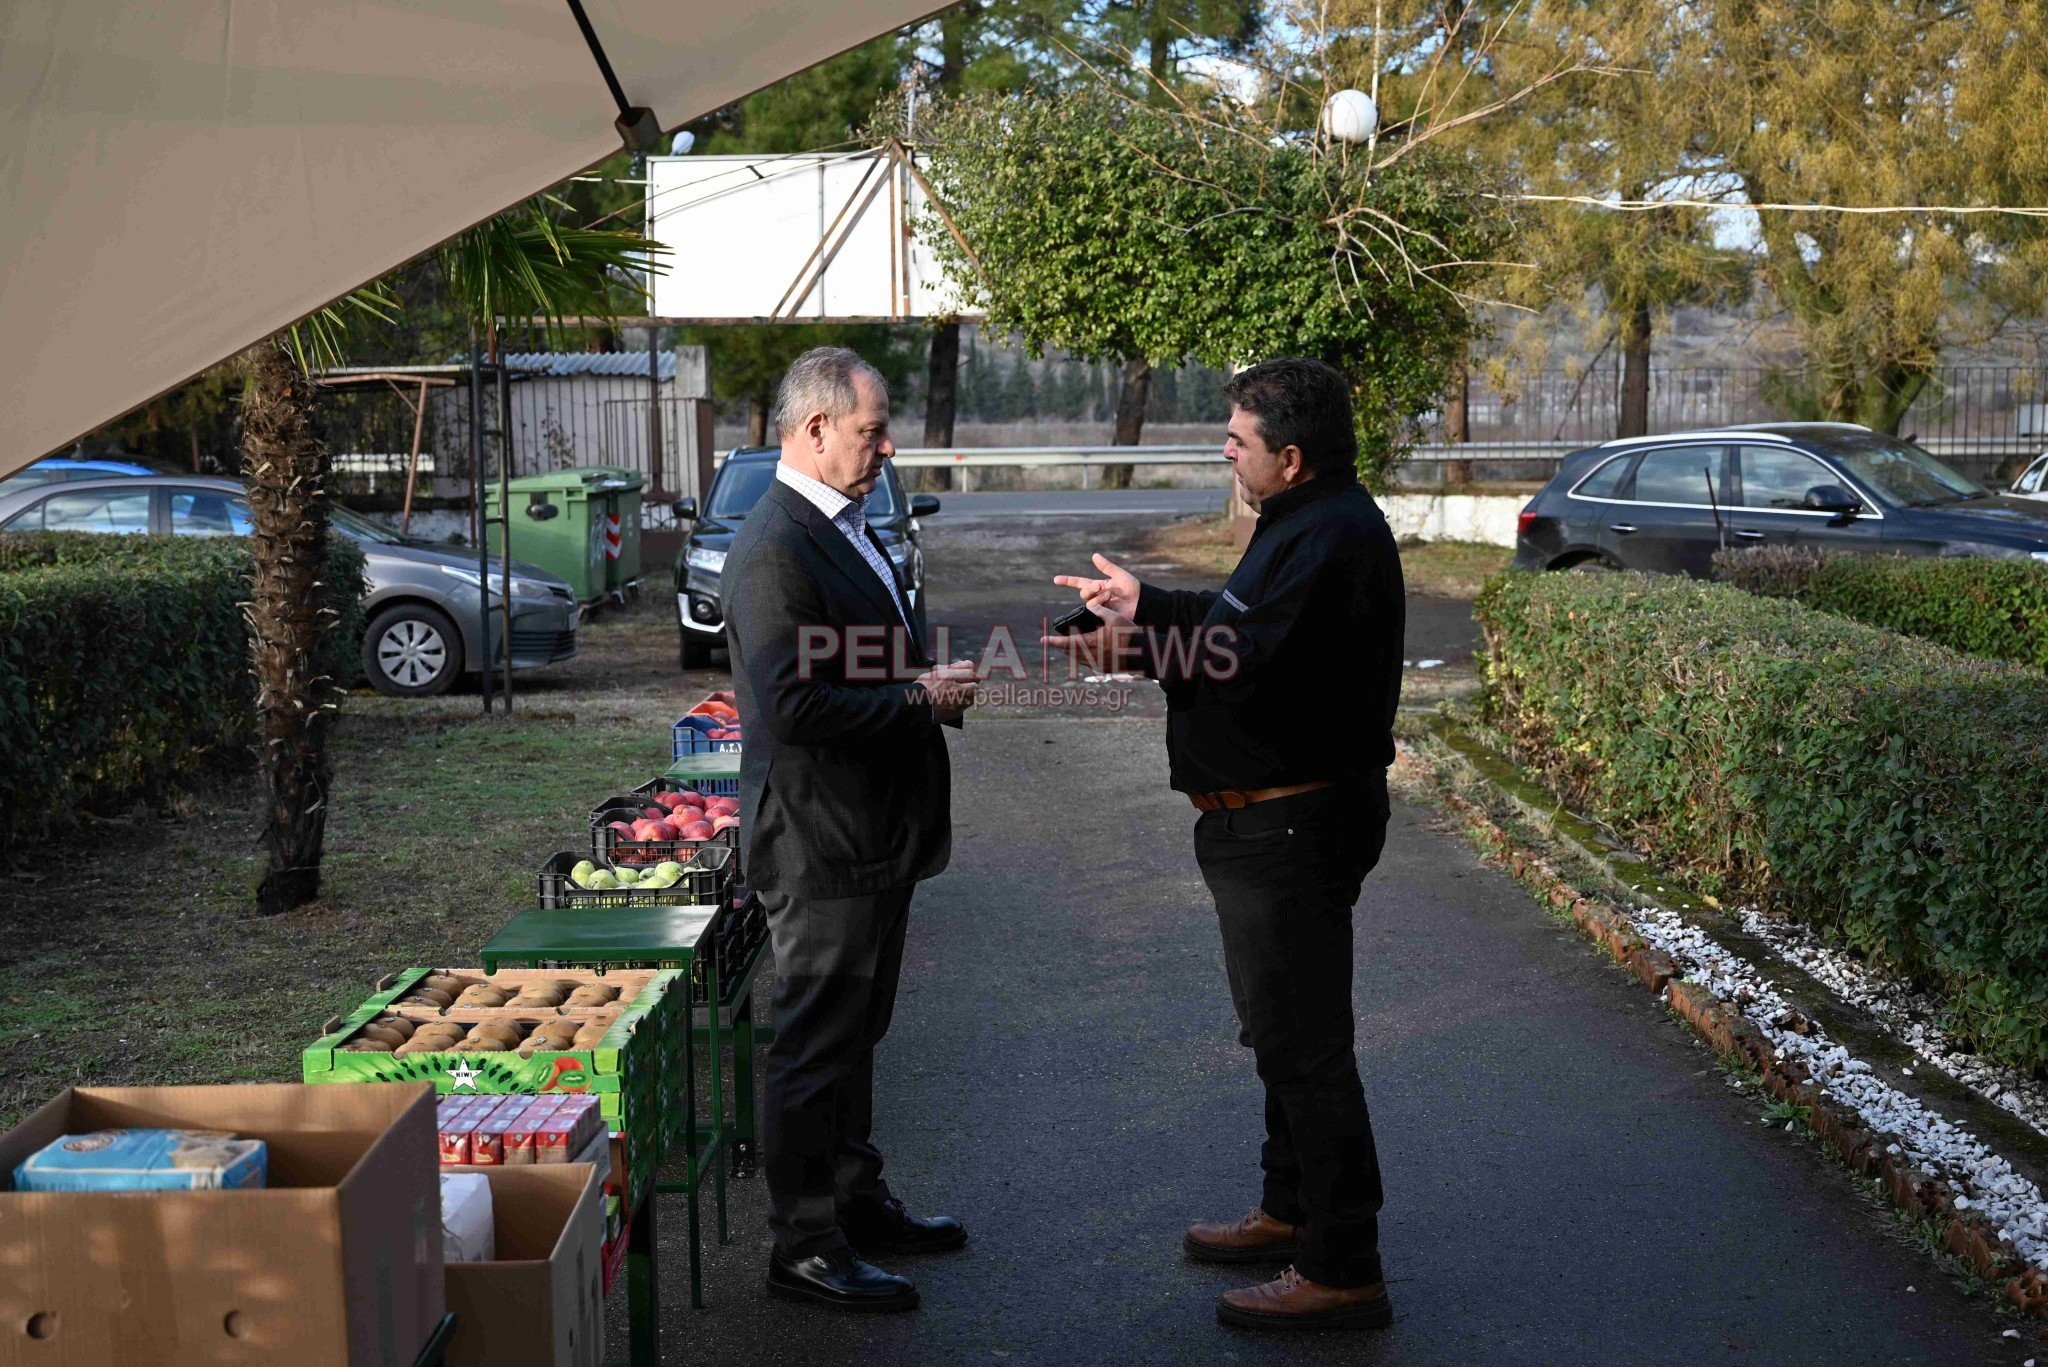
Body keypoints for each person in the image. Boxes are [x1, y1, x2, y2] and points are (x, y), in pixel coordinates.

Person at [1045, 357, 1405, 1331]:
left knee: (1304, 1045)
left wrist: (1128, 649)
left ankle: (1341, 1264)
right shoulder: (1304, 522)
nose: (1223, 448)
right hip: (1269, 821)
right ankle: (1287, 1209)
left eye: (1237, 438)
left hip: (1289, 824)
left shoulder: (1329, 533)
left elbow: (1244, 663)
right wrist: (1147, 604)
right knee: (1280, 1031)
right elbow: (1239, 627)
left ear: (1287, 456)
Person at [723, 346, 979, 1312]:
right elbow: (791, 709)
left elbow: (853, 665)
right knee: (813, 1044)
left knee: (855, 1034)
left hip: (869, 835)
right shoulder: (778, 544)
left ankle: (856, 1201)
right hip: (823, 840)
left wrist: (916, 687)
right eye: (873, 430)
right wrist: (919, 698)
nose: (888, 446)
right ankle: (805, 1245)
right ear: (815, 428)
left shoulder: (841, 519)